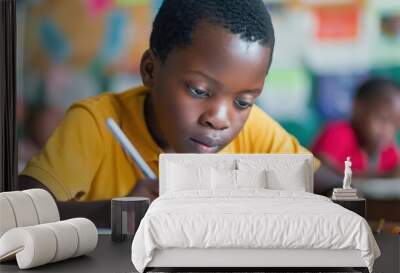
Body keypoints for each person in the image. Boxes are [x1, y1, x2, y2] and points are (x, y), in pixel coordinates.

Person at [19, 0, 317, 227]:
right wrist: (119, 212)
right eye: (199, 91)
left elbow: (326, 184)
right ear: (151, 70)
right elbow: (19, 212)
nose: (220, 119)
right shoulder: (95, 123)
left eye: (243, 102)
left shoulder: (253, 128)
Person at [313, 78, 400, 195]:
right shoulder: (339, 134)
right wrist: (383, 177)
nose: (387, 130)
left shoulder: (388, 150)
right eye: (382, 119)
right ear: (358, 108)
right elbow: (321, 172)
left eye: (395, 124)